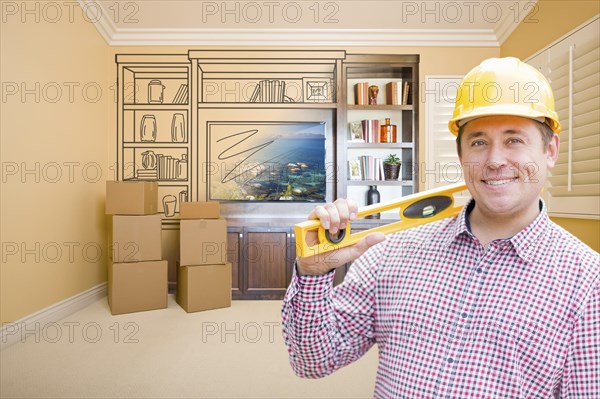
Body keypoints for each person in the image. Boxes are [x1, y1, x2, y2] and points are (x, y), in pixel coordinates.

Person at [281, 57, 599, 398]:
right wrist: (313, 273)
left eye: (514, 140)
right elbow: (312, 361)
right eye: (478, 142)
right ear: (461, 154)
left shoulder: (587, 283)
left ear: (550, 150)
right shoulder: (393, 251)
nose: (494, 161)